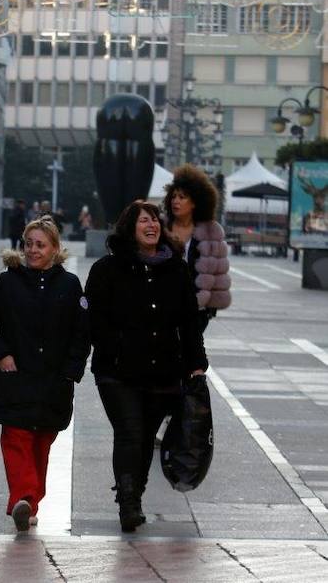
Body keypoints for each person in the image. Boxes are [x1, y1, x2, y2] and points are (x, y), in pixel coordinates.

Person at [85, 200, 207, 533]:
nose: (151, 225)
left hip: (164, 371)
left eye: (155, 220)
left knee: (143, 437)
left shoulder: (177, 269)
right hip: (117, 372)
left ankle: (133, 495)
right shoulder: (107, 270)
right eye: (143, 220)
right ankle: (128, 504)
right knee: (129, 432)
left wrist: (196, 364)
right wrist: (116, 348)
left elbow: (189, 322)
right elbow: (94, 320)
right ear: (129, 228)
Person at [0, 217, 90, 532]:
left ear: (54, 249)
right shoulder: (7, 282)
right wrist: (0, 354)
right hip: (17, 378)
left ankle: (29, 503)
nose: (33, 250)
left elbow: (82, 333)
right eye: (29, 244)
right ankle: (22, 498)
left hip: (54, 381)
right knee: (16, 438)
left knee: (42, 441)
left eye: (41, 245)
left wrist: (71, 371)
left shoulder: (69, 285)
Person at [161, 164, 232, 334]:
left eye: (182, 197)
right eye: (174, 196)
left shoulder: (211, 231)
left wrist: (209, 310)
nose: (175, 201)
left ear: (195, 202)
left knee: (185, 355)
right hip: (161, 305)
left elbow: (217, 273)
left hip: (196, 309)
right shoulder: (160, 227)